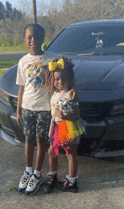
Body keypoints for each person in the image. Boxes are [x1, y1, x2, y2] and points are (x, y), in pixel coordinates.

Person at [16, 23, 52, 195]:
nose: (33, 40)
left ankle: (37, 174)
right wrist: (18, 110)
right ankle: (28, 171)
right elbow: (22, 88)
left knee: (41, 141)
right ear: (24, 40)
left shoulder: (52, 60)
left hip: (45, 108)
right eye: (29, 37)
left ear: (43, 37)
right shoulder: (23, 62)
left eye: (36, 36)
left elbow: (60, 83)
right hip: (27, 107)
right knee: (28, 139)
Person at [44, 57, 85, 193]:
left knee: (70, 154)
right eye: (56, 79)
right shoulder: (56, 92)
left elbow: (77, 115)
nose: (60, 82)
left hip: (68, 127)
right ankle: (53, 175)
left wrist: (63, 116)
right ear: (52, 79)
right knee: (51, 151)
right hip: (57, 128)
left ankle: (72, 181)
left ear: (70, 78)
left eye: (63, 78)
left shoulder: (71, 94)